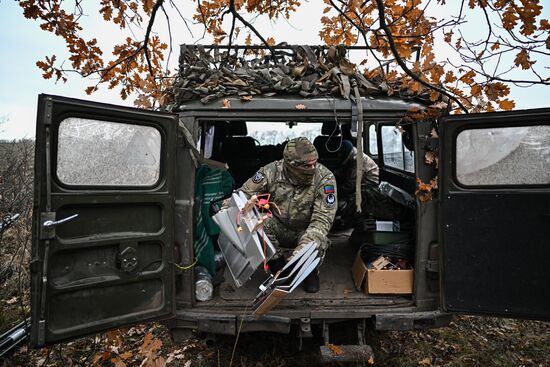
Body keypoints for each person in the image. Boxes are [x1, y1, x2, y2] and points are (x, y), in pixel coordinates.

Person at [237, 137, 337, 293]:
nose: (312, 168)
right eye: (306, 165)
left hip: (307, 230)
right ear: (290, 165)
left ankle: (310, 271)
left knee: (318, 241)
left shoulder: (325, 178)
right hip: (278, 227)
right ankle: (278, 268)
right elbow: (244, 195)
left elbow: (322, 219)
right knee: (258, 224)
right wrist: (228, 207)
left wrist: (303, 251)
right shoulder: (270, 172)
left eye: (314, 163)